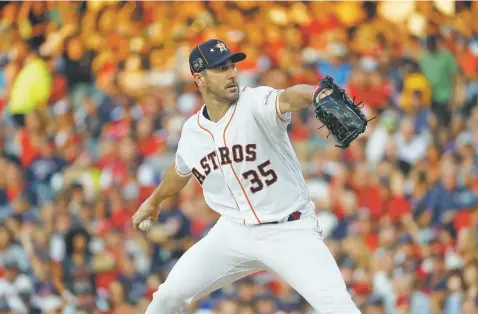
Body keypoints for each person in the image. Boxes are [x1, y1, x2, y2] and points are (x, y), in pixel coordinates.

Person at [132, 39, 361, 314]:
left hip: (289, 230)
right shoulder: (192, 131)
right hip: (233, 232)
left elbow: (288, 97)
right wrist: (154, 201)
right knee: (167, 298)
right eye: (220, 69)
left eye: (231, 66)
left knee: (338, 307)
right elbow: (181, 170)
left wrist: (315, 94)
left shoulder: (255, 102)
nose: (231, 73)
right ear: (199, 79)